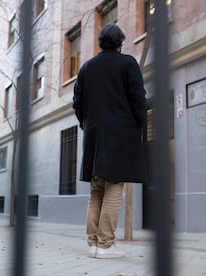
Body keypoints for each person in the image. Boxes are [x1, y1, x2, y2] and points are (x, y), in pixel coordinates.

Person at [73, 24, 147, 259]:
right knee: (114, 188)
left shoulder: (86, 68)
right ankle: (105, 245)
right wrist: (139, 125)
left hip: (94, 136)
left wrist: (87, 125)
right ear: (120, 43)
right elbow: (138, 98)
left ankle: (93, 244)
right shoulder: (128, 63)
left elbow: (77, 103)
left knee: (96, 191)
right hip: (120, 135)